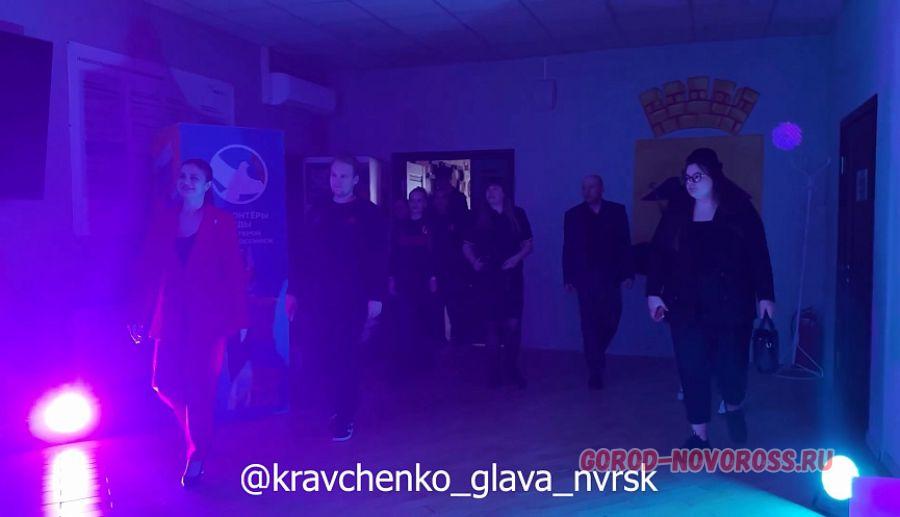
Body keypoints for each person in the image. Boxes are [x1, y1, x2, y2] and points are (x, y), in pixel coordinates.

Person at [129, 158, 248, 487]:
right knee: (163, 383)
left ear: (207, 185)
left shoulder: (221, 222)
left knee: (201, 387)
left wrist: (240, 318)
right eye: (183, 176)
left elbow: (233, 271)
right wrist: (139, 314)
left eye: (195, 177)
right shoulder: (165, 220)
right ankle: (198, 435)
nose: (187, 181)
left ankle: (197, 454)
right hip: (170, 315)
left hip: (209, 319)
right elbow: (148, 270)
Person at [646, 148, 775, 448]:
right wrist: (653, 292)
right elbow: (658, 253)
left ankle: (733, 407)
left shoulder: (740, 209)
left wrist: (766, 295)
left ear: (714, 175)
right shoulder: (677, 211)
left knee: (731, 366)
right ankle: (699, 434)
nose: (691, 183)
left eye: (698, 176)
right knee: (692, 367)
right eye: (687, 177)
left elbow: (758, 254)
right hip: (686, 306)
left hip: (732, 306)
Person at [288, 156, 388, 441]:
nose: (337, 181)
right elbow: (301, 254)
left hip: (352, 296)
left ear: (355, 180)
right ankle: (329, 406)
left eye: (344, 176)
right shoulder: (317, 210)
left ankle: (345, 415)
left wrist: (376, 295)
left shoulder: (369, 214)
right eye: (334, 175)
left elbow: (378, 257)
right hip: (318, 296)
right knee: (320, 352)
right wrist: (294, 291)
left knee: (346, 355)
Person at [563, 175, 634, 390]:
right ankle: (595, 370)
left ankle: (596, 352)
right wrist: (568, 277)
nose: (587, 191)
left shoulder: (616, 211)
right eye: (584, 188)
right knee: (589, 323)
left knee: (612, 318)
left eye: (591, 187)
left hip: (610, 276)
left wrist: (628, 273)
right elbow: (568, 248)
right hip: (585, 277)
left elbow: (625, 243)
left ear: (601, 188)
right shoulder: (573, 215)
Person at [463, 180, 533, 388]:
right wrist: (474, 262)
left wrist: (516, 259)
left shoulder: (517, 214)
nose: (490, 192)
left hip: (511, 277)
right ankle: (493, 372)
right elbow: (466, 246)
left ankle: (511, 368)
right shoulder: (478, 216)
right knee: (491, 325)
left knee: (512, 325)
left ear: (504, 193)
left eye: (495, 188)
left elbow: (528, 245)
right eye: (488, 189)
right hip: (488, 277)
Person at [389, 188, 439, 372]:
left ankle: (425, 363)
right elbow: (393, 253)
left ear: (425, 203)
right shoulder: (400, 226)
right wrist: (391, 277)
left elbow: (435, 254)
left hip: (424, 280)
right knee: (405, 320)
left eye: (419, 200)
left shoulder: (432, 226)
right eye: (412, 200)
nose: (415, 204)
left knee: (424, 319)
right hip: (404, 279)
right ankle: (406, 363)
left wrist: (433, 276)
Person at [430, 187, 472, 347]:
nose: (440, 201)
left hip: (455, 272)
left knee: (456, 309)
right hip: (436, 271)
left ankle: (458, 344)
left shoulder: (458, 221)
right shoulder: (430, 220)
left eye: (443, 197)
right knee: (436, 310)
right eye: (437, 197)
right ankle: (441, 345)